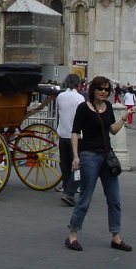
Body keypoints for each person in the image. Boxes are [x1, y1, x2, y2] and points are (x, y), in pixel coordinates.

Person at [65, 76, 131, 253]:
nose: (103, 92)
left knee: (114, 199)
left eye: (107, 89)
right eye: (100, 88)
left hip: (107, 156)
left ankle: (116, 237)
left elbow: (113, 130)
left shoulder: (108, 107)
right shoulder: (82, 108)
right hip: (89, 157)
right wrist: (76, 156)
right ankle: (72, 234)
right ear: (93, 89)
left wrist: (123, 119)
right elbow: (74, 133)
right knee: (85, 198)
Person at [57, 73, 86, 207]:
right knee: (76, 164)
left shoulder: (60, 96)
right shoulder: (79, 98)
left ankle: (66, 184)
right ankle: (72, 189)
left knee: (65, 163)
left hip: (62, 133)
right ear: (78, 84)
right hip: (75, 135)